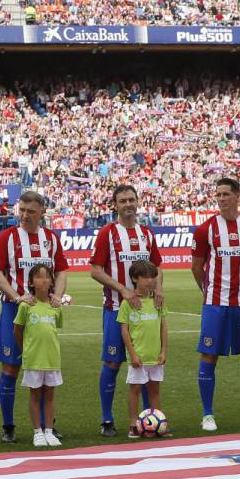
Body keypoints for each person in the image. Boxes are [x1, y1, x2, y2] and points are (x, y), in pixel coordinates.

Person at [0, 190, 68, 443]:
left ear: (42, 212)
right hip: (15, 310)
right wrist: (16, 296)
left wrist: (58, 296)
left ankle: (47, 425)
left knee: (45, 367)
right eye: (21, 210)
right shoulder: (7, 238)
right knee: (10, 367)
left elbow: (62, 271)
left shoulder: (51, 239)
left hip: (44, 312)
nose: (24, 215)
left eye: (30, 211)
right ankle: (8, 425)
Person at [89, 184, 162, 437]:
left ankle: (146, 418)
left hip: (145, 314)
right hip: (115, 309)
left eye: (132, 199)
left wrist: (159, 289)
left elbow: (157, 267)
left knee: (144, 364)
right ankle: (106, 419)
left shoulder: (147, 234)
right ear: (115, 205)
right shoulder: (107, 234)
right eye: (123, 201)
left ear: (138, 201)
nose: (128, 204)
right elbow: (95, 270)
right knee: (112, 362)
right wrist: (124, 289)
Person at [191, 177, 240, 432]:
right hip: (215, 304)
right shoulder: (205, 229)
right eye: (218, 195)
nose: (221, 199)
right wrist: (207, 292)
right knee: (209, 355)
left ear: (237, 195)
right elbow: (197, 267)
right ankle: (207, 414)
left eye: (225, 194)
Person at [14, 264, 64, 448]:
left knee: (50, 395)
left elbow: (54, 329)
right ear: (31, 282)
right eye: (39, 277)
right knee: (35, 395)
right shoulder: (26, 306)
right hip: (33, 358)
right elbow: (17, 330)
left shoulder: (55, 306)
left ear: (52, 281)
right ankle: (37, 432)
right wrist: (25, 349)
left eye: (47, 277)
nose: (44, 280)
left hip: (52, 358)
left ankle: (49, 431)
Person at [117, 260, 168, 438]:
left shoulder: (158, 301)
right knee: (135, 389)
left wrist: (163, 351)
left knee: (154, 389)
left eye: (152, 276)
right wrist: (132, 353)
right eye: (145, 277)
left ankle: (157, 422)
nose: (150, 280)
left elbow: (163, 327)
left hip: (155, 355)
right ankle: (133, 424)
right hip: (138, 356)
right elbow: (124, 330)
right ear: (134, 278)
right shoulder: (128, 303)